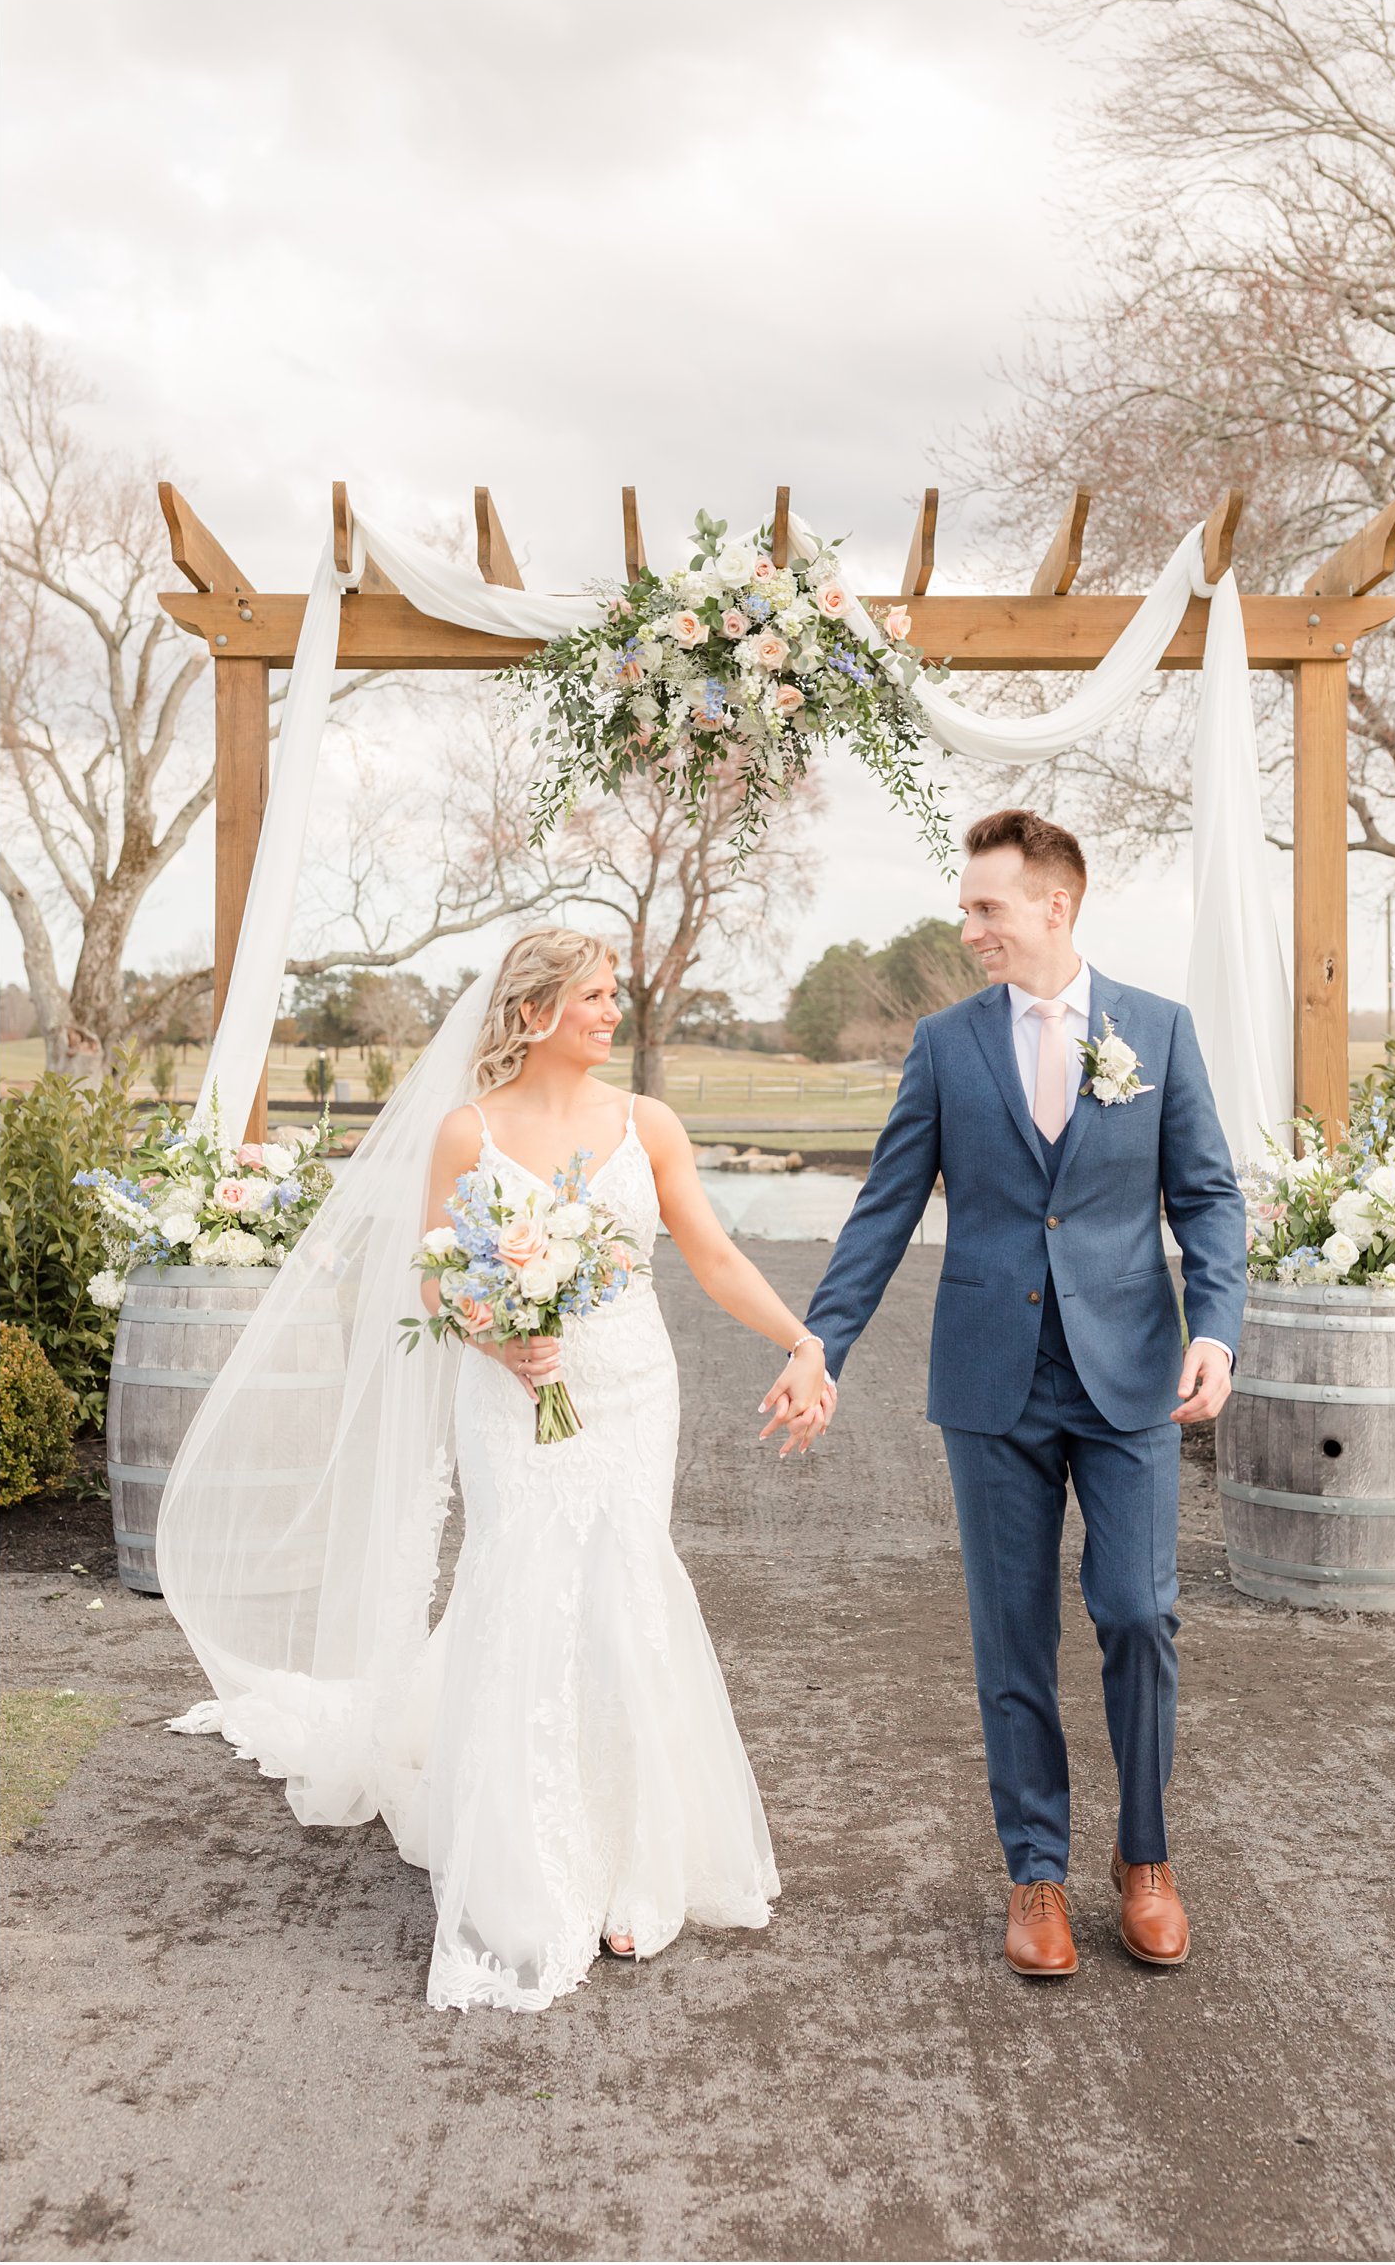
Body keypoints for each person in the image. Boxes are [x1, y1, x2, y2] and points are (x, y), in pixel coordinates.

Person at [159, 927, 831, 2015]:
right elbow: (430, 1280)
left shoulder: (646, 1124)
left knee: (621, 1591)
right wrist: (494, 1334)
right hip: (509, 1395)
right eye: (591, 998)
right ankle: (531, 1865)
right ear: (529, 1014)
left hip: (626, 1388)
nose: (612, 1013)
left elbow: (708, 1253)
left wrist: (802, 1342)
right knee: (522, 1588)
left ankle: (629, 1857)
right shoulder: (466, 1134)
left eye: (613, 995)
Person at [762, 809, 1245, 1977]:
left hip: (1128, 1374)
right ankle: (1033, 1873)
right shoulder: (943, 1044)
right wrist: (817, 1341)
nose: (968, 926)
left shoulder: (1160, 1035)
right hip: (990, 1380)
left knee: (1136, 1611)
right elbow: (884, 1207)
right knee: (1009, 1635)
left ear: (1052, 906)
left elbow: (1208, 1199)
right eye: (965, 906)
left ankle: (1143, 1860)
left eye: (985, 907)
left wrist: (1217, 1334)